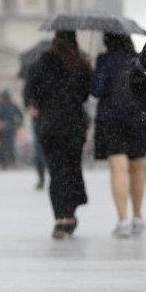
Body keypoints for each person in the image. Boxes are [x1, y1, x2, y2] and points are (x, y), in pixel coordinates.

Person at [91, 32, 146, 238]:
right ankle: (138, 216)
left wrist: (97, 70)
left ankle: (122, 220)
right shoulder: (142, 61)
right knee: (137, 169)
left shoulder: (104, 60)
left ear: (107, 40)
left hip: (112, 120)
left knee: (118, 170)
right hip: (139, 119)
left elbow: (96, 91)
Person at [24, 30, 92, 239]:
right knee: (71, 168)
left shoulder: (41, 63)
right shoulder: (80, 63)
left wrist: (33, 106)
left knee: (55, 171)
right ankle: (70, 214)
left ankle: (60, 218)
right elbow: (85, 94)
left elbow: (29, 90)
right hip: (73, 125)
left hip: (49, 125)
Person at [0, 91, 24, 168]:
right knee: (1, 147)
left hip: (10, 129)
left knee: (10, 146)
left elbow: (20, 115)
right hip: (0, 131)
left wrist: (18, 125)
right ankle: (3, 163)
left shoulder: (12, 106)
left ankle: (12, 162)